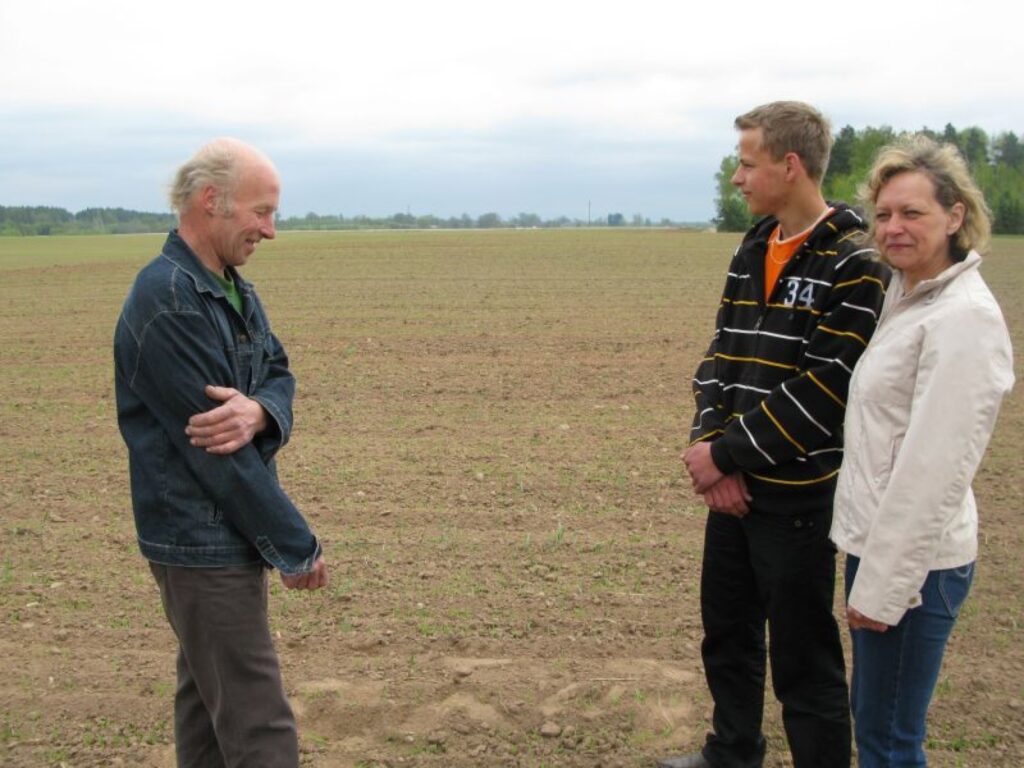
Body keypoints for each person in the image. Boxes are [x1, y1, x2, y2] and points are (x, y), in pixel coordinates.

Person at [659, 102, 890, 768]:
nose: (737, 178)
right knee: (727, 637)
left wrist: (726, 455)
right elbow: (721, 357)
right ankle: (732, 753)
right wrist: (712, 449)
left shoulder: (855, 262)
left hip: (796, 501)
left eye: (746, 163)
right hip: (730, 491)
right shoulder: (754, 246)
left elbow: (824, 390)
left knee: (803, 659)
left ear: (790, 166)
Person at [114, 138, 328, 767]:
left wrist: (260, 410)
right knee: (260, 726)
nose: (271, 230)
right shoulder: (169, 301)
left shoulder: (233, 291)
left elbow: (279, 372)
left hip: (222, 537)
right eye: (262, 212)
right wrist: (294, 544)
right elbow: (220, 455)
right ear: (212, 200)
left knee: (207, 714)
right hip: (199, 540)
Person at [831, 135, 1014, 767]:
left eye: (912, 213)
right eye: (883, 214)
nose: (893, 227)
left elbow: (935, 470)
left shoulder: (962, 317)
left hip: (915, 568)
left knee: (888, 742)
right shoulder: (908, 295)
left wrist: (884, 587)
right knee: (878, 727)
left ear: (955, 215)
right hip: (881, 548)